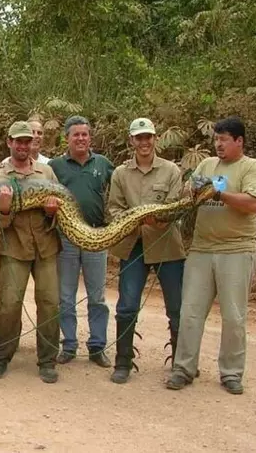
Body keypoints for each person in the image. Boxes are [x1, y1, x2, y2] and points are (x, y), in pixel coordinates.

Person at [166, 117, 256, 395]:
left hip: (236, 249)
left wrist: (220, 193)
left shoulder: (252, 168)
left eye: (224, 139)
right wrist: (193, 188)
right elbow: (189, 194)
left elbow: (254, 204)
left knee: (234, 317)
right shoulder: (206, 165)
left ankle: (231, 373)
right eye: (216, 139)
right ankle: (183, 369)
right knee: (190, 312)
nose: (219, 144)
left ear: (239, 141)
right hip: (201, 249)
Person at [107, 118, 186, 384]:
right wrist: (133, 220)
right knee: (127, 306)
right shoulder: (120, 173)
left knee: (177, 307)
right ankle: (122, 363)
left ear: (155, 139)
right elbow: (114, 208)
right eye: (139, 137)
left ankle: (181, 364)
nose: (144, 142)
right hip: (133, 245)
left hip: (167, 247)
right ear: (131, 141)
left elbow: (177, 207)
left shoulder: (172, 170)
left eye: (148, 137)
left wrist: (158, 219)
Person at [0, 121, 62, 383]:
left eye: (27, 141)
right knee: (9, 304)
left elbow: (61, 208)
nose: (22, 146)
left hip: (46, 246)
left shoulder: (46, 172)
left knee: (50, 303)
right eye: (18, 141)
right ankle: (0, 357)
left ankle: (48, 360)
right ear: (9, 142)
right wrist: (5, 210)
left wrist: (53, 212)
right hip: (14, 247)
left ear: (32, 143)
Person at [48, 116, 113, 368]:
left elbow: (117, 192)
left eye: (85, 134)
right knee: (66, 296)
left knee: (97, 296)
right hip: (66, 239)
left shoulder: (104, 164)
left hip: (96, 237)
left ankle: (97, 346)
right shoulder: (56, 166)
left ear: (90, 137)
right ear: (67, 138)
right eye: (76, 135)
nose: (81, 139)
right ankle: (69, 345)